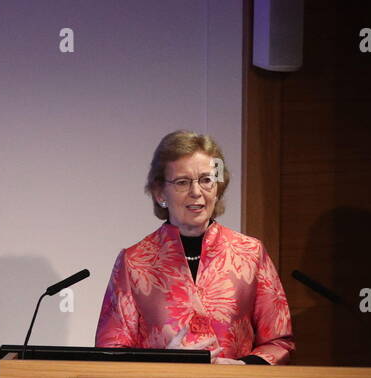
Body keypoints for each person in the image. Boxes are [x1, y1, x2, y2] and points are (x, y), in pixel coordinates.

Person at [95, 130, 294, 365]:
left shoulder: (250, 253)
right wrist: (162, 362)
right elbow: (110, 352)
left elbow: (279, 341)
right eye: (182, 182)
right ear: (160, 193)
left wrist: (243, 367)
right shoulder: (135, 261)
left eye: (206, 180)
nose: (196, 192)